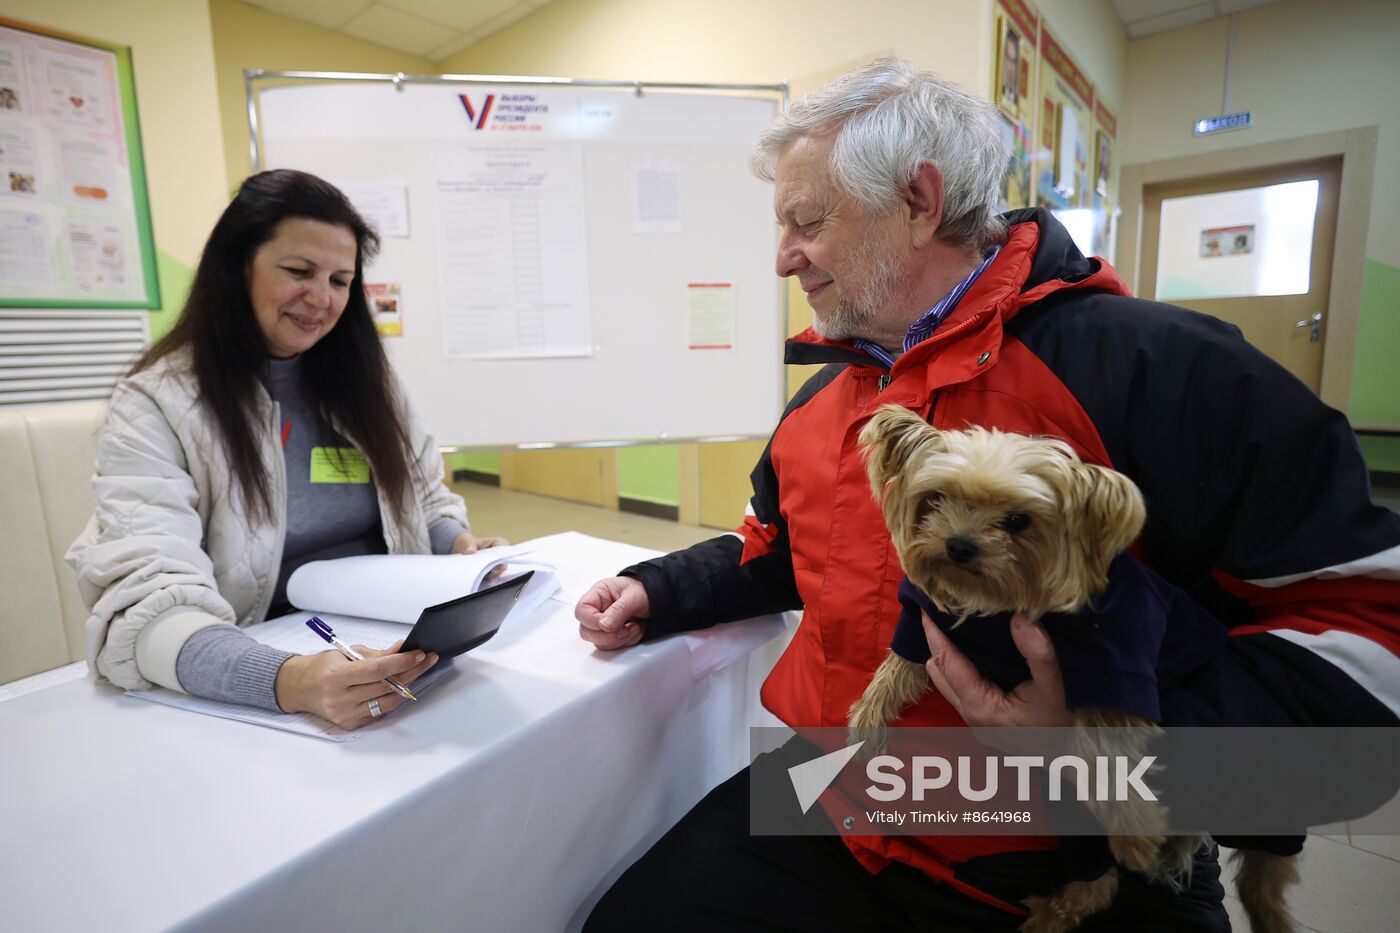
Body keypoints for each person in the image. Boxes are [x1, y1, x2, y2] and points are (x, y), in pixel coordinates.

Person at [574, 59, 1400, 931]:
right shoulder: (822, 402)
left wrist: (1106, 751)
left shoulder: (1165, 372)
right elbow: (776, 549)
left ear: (921, 203)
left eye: (806, 222)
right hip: (843, 785)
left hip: (1069, 841)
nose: (783, 257)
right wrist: (658, 588)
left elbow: (1368, 649)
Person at [68, 169, 507, 731]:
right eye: (299, 272)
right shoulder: (157, 403)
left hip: (386, 648)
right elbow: (149, 606)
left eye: (341, 280)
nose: (321, 299)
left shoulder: (370, 383)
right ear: (237, 267)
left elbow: (423, 498)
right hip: (263, 661)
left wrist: (460, 544)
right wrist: (289, 681)